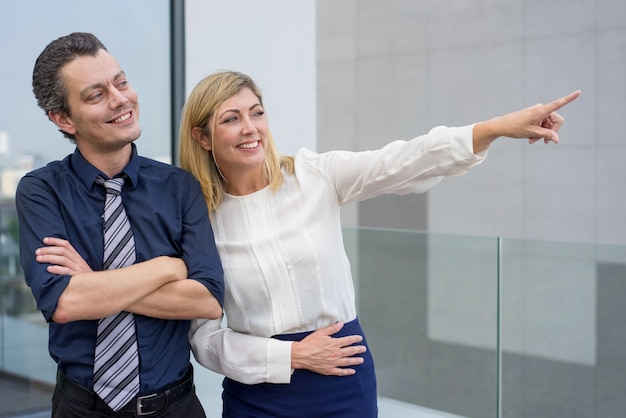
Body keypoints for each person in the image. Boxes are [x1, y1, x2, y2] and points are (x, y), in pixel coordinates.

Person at [177, 70, 580, 417]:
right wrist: (291, 356)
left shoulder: (314, 175)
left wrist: (497, 127)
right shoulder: (198, 220)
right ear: (203, 137)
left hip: (342, 375)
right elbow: (204, 338)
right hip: (257, 394)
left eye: (257, 112)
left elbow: (403, 160)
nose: (251, 127)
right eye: (232, 118)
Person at [16, 32, 225, 417]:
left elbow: (208, 301)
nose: (120, 100)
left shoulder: (179, 188)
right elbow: (66, 301)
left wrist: (95, 280)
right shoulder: (41, 190)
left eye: (121, 82)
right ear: (63, 118)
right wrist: (168, 267)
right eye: (96, 95)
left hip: (175, 407)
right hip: (82, 408)